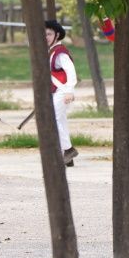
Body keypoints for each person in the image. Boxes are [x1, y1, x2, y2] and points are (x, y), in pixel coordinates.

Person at [46, 20, 79, 166]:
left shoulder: (60, 53)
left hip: (62, 91)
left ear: (57, 35)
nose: (45, 37)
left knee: (55, 120)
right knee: (61, 121)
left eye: (49, 34)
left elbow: (71, 72)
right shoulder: (51, 51)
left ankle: (68, 149)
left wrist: (69, 91)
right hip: (57, 91)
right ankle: (67, 157)